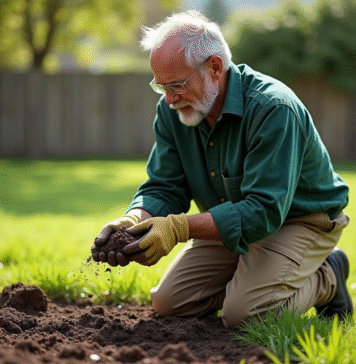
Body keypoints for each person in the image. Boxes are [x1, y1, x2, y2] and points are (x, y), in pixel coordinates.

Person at [92, 11, 353, 328]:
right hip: (229, 219)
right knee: (169, 303)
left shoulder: (273, 108)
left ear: (215, 67)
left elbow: (264, 211)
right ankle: (254, 279)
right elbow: (165, 186)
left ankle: (328, 275)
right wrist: (135, 220)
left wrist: (178, 229)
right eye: (161, 87)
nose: (170, 99)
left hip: (297, 220)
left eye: (177, 85)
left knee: (245, 315)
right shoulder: (174, 110)